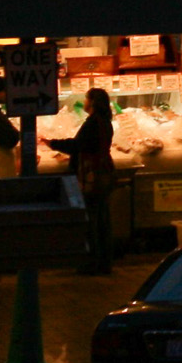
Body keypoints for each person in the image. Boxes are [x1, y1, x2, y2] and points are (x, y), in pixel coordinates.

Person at [46, 87, 118, 273]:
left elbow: (78, 146)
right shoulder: (105, 121)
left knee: (91, 220)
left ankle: (92, 263)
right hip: (104, 173)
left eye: (86, 99)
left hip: (91, 176)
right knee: (102, 219)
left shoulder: (93, 123)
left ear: (92, 102)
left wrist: (52, 143)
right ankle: (103, 262)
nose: (84, 102)